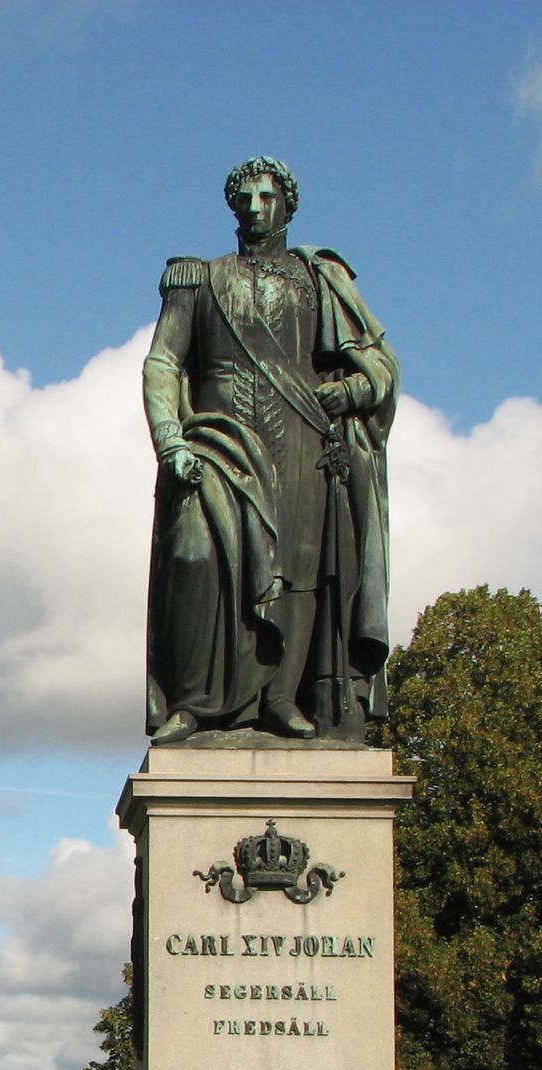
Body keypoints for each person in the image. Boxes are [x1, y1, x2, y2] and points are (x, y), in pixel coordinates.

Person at [141, 156, 399, 744]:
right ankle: (194, 701)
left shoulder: (320, 280)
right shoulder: (197, 277)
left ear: (287, 204)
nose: (254, 208)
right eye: (245, 198)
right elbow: (163, 362)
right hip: (216, 438)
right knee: (195, 557)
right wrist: (169, 437)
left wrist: (352, 390)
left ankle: (282, 696)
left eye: (266, 197)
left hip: (304, 434)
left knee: (300, 569)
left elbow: (381, 367)